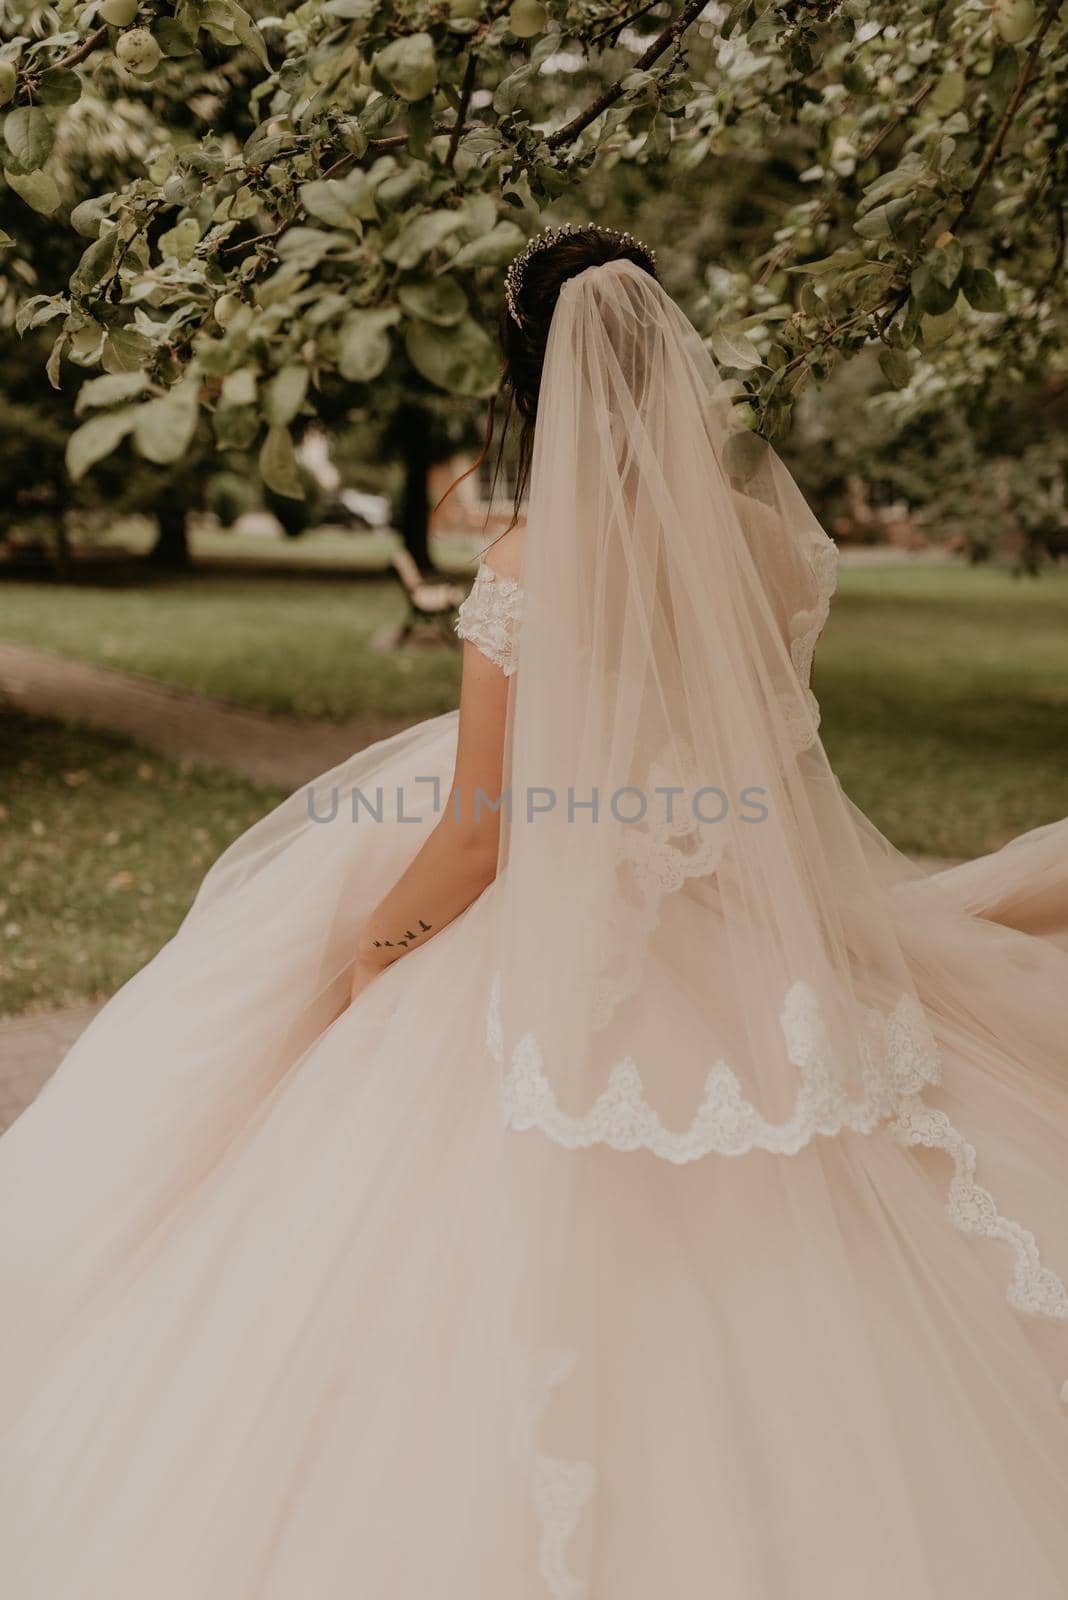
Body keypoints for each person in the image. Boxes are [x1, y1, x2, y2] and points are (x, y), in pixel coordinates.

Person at [1, 225, 1066, 1598]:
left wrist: (366, 963)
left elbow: (481, 831)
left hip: (570, 914)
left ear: (530, 379)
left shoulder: (520, 568)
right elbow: (759, 753)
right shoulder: (754, 542)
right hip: (733, 905)